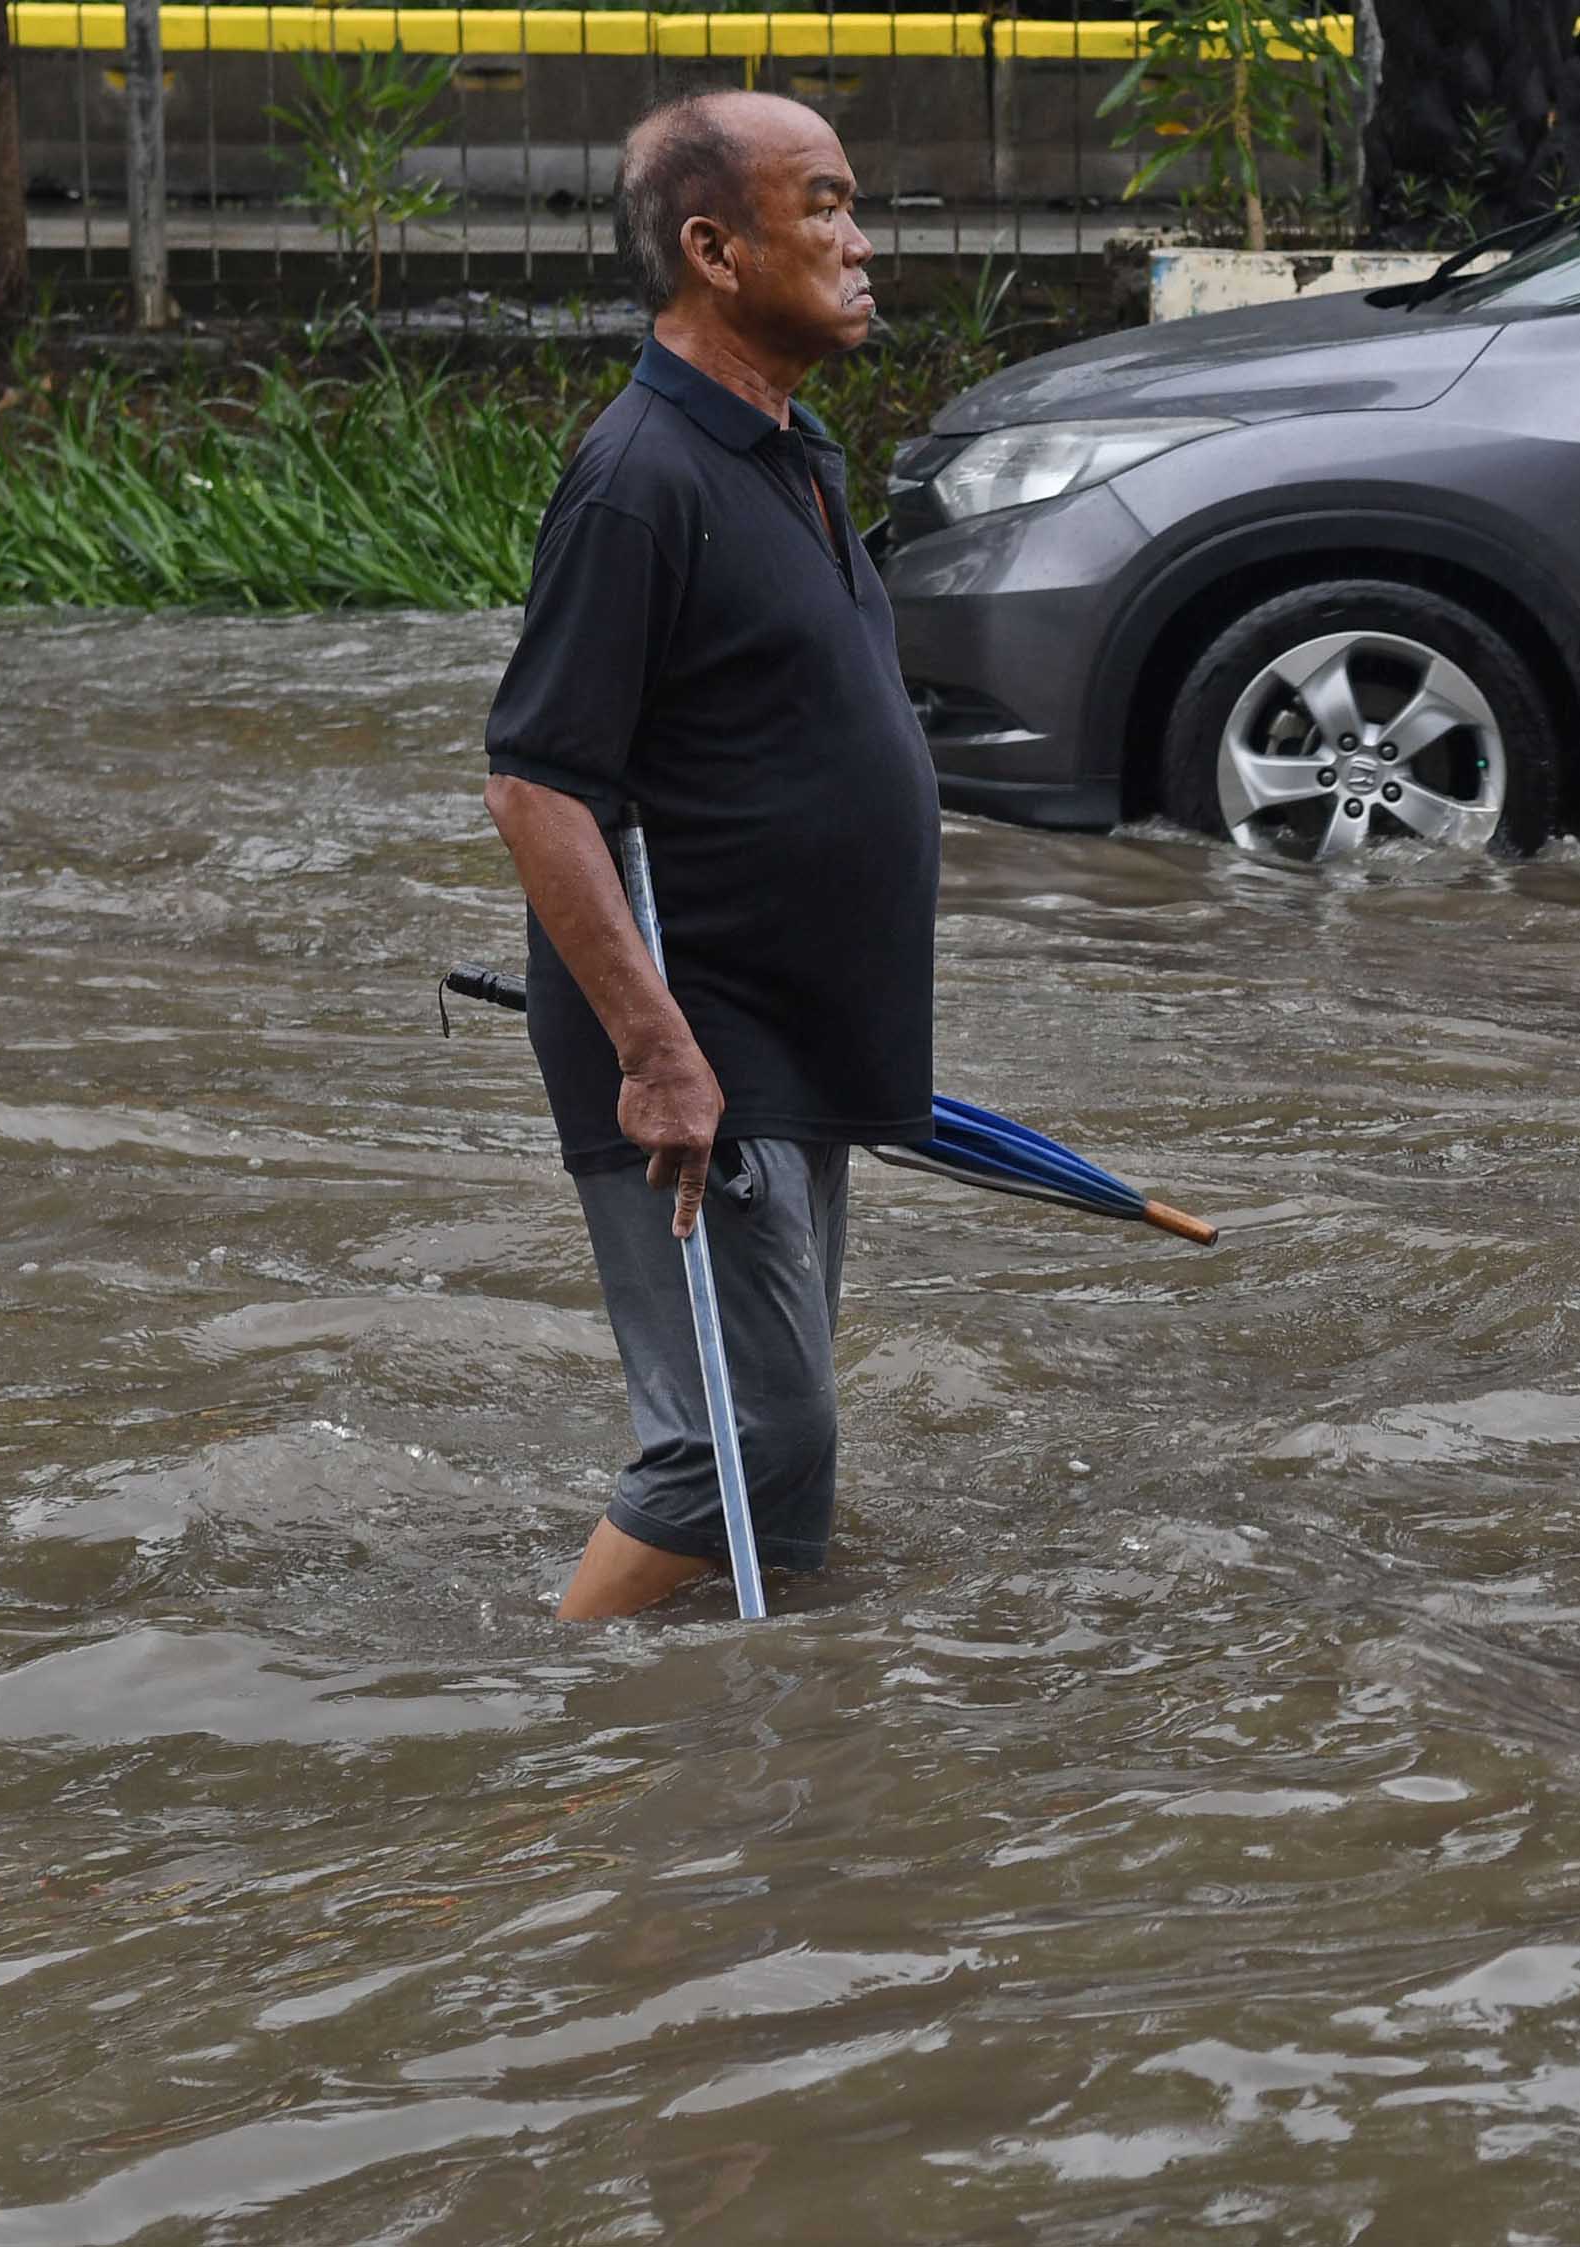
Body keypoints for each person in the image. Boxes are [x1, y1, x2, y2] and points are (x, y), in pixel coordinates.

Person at [480, 89, 938, 1620]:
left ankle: (762, 1773)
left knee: (781, 1458)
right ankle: (546, 1729)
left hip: (789, 1030)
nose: (861, 242)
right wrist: (658, 1049)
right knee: (738, 1438)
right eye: (823, 207)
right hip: (698, 1043)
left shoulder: (787, 449)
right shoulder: (639, 480)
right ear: (713, 248)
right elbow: (539, 789)